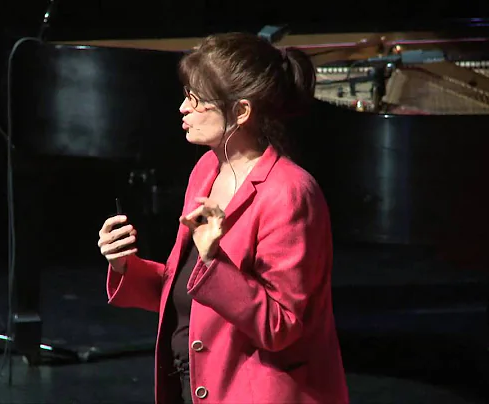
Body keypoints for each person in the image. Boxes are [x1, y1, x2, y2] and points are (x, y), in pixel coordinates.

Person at [97, 32, 349, 404]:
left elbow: (281, 325)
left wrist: (214, 261)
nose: (183, 108)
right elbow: (187, 289)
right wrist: (123, 266)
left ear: (241, 112)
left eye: (196, 100)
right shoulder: (206, 170)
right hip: (194, 384)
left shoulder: (290, 193)